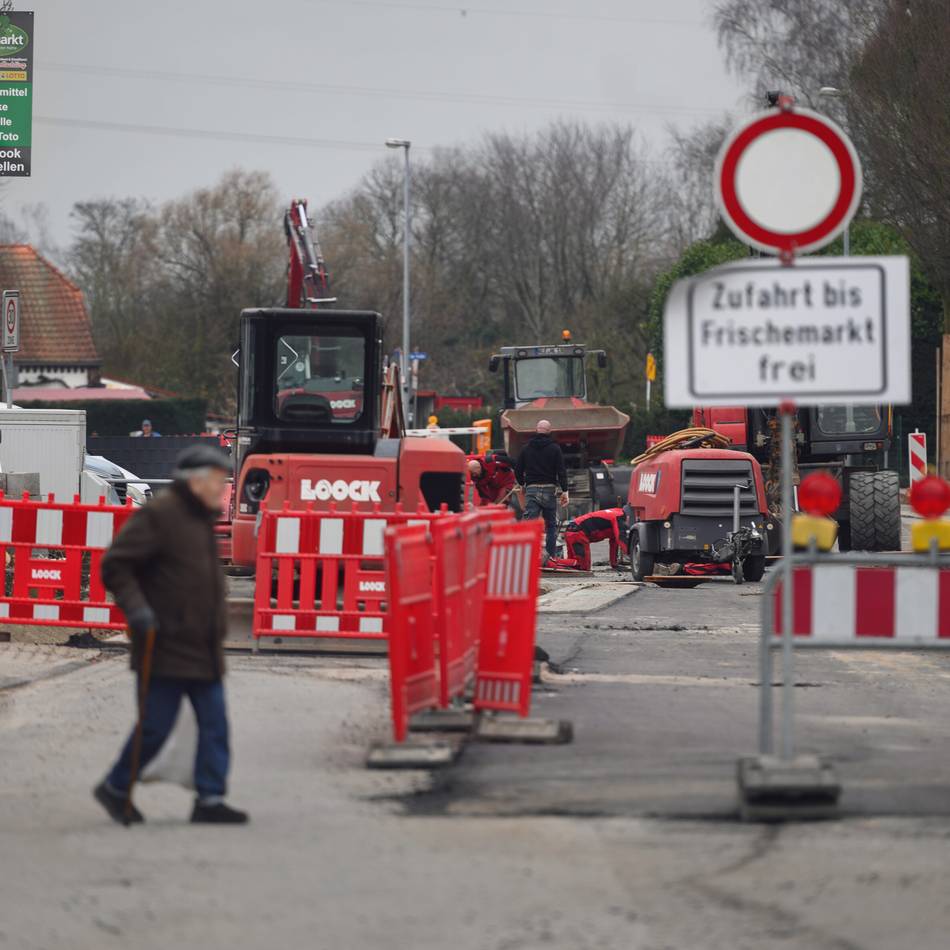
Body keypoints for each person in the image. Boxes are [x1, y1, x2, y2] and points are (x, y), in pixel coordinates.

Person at [93, 444, 248, 825]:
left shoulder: (200, 516)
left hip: (201, 644)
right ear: (194, 481)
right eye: (215, 480)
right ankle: (115, 786)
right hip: (164, 643)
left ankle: (209, 799)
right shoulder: (161, 515)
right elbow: (116, 565)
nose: (221, 487)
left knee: (215, 724)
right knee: (156, 727)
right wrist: (139, 610)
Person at [514, 419, 568, 560]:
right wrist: (565, 490)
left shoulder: (526, 448)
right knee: (551, 525)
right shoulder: (555, 448)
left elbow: (518, 470)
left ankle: (527, 557)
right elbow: (561, 471)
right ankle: (550, 558)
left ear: (536, 430)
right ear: (549, 432)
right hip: (549, 490)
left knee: (529, 525)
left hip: (531, 490)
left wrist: (522, 484)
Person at [564, 507, 628, 571]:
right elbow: (621, 538)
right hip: (577, 532)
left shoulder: (616, 512)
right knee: (582, 566)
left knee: (573, 564)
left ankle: (557, 563)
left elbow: (614, 543)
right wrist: (634, 555)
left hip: (572, 530)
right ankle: (555, 562)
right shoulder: (619, 517)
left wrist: (614, 564)